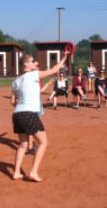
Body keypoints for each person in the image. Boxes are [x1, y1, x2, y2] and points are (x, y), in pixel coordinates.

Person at [11, 52, 68, 182]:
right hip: (28, 113)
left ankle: (16, 173)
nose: (34, 63)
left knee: (22, 145)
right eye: (32, 61)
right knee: (43, 142)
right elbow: (53, 70)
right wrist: (63, 59)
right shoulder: (32, 75)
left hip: (17, 114)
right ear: (26, 64)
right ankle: (33, 172)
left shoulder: (15, 81)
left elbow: (14, 101)